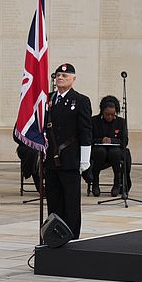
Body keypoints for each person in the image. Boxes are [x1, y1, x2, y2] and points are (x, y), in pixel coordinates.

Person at [44, 63, 92, 239]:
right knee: (53, 201)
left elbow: (85, 131)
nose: (60, 78)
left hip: (70, 158)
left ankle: (71, 239)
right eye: (58, 75)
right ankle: (54, 236)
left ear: (73, 79)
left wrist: (84, 159)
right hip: (50, 158)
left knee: (71, 203)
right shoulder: (47, 99)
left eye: (65, 75)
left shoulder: (80, 100)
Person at [90, 95, 130, 197]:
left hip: (115, 150)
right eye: (107, 114)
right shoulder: (94, 121)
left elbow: (124, 140)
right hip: (98, 149)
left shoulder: (121, 122)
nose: (110, 117)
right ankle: (95, 182)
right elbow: (89, 138)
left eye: (112, 114)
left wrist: (112, 140)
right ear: (102, 111)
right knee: (100, 152)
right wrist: (101, 140)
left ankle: (117, 182)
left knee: (115, 152)